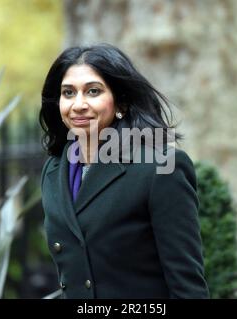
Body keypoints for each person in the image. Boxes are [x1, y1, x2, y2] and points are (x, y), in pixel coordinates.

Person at [39, 43, 209, 299]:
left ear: (122, 102)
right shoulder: (54, 170)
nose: (79, 104)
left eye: (93, 91)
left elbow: (187, 289)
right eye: (68, 93)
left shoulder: (161, 168)